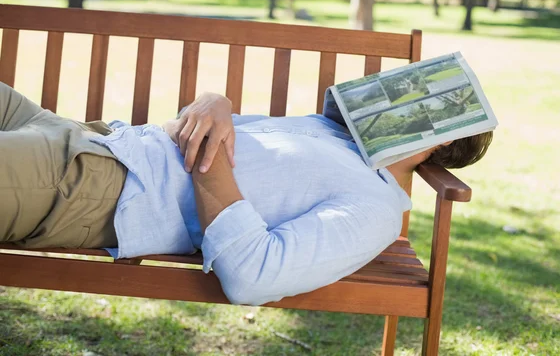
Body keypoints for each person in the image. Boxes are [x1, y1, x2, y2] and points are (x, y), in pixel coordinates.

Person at [0, 82, 492, 305]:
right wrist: (214, 104)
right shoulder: (327, 130)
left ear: (444, 136)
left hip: (91, 185)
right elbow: (189, 132)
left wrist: (209, 150)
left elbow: (255, 277)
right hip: (85, 135)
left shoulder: (375, 208)